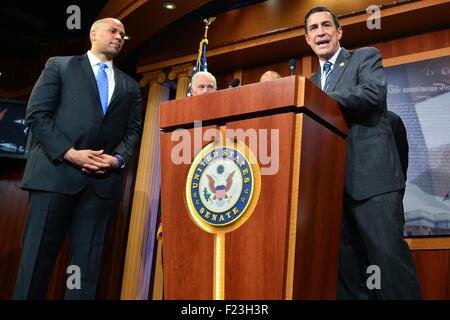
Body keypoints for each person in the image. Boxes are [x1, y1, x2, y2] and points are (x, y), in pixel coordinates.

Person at [14, 18, 142, 299]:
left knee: (86, 273)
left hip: (101, 186)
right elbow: (37, 115)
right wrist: (69, 153)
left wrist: (117, 160)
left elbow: (133, 131)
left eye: (123, 34)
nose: (120, 36)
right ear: (93, 34)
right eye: (113, 31)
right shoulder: (59, 66)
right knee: (35, 264)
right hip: (54, 177)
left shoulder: (130, 86)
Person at [304, 7, 421, 299]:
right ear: (307, 39)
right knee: (347, 275)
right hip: (331, 193)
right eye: (314, 28)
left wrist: (319, 100)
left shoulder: (363, 58)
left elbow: (372, 94)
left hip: (373, 184)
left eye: (326, 25)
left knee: (389, 268)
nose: (321, 32)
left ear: (339, 32)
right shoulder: (308, 84)